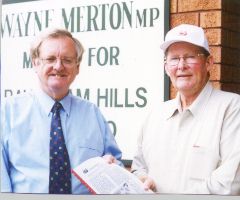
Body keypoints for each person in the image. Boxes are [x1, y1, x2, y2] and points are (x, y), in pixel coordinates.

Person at [1, 28, 122, 194]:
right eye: (50, 59)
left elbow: (117, 167)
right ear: (35, 63)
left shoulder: (92, 114)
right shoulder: (7, 112)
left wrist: (113, 169)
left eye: (67, 60)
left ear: (77, 67)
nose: (58, 66)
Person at [131, 24, 240, 195]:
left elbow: (229, 184)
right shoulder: (155, 115)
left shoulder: (232, 109)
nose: (181, 65)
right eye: (174, 59)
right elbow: (138, 168)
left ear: (208, 62)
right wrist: (143, 181)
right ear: (166, 67)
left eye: (190, 57)